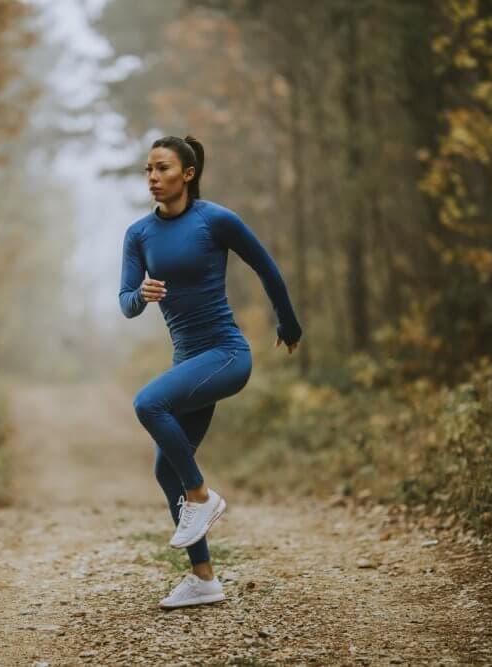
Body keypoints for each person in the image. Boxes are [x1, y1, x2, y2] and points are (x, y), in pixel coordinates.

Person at [118, 135, 302, 609]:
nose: (153, 178)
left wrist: (288, 322)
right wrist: (143, 294)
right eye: (148, 170)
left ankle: (201, 495)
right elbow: (126, 305)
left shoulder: (215, 220)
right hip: (190, 363)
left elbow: (266, 268)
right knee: (164, 468)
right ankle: (203, 580)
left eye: (162, 169)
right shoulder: (139, 234)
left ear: (188, 174)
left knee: (147, 402)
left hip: (225, 354)